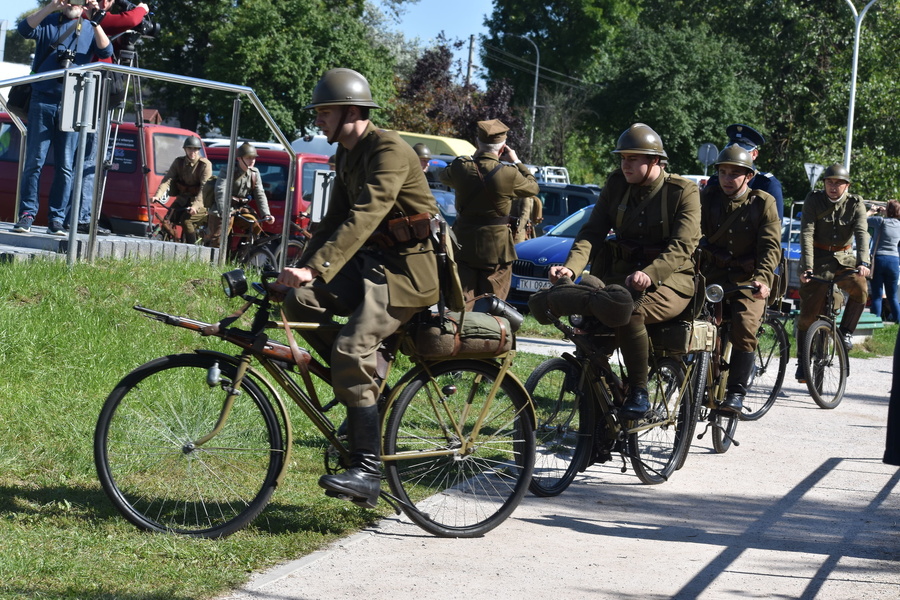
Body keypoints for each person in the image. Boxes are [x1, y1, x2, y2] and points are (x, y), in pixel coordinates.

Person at [276, 68, 440, 508]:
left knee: (350, 348)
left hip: (406, 271)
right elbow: (333, 221)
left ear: (351, 112)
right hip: (368, 264)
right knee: (298, 303)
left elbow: (366, 214)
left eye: (325, 112)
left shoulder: (389, 149)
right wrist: (300, 270)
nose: (318, 120)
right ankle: (365, 388)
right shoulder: (346, 153)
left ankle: (367, 473)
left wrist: (318, 267)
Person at [548, 123, 701, 418]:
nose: (625, 164)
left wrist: (651, 274)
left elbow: (683, 245)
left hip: (670, 281)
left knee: (631, 312)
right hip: (620, 276)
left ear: (654, 160)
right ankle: (593, 387)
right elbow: (592, 232)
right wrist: (569, 269)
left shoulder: (682, 191)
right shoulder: (617, 185)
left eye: (632, 158)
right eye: (622, 158)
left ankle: (639, 392)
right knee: (586, 300)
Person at [12, 0, 113, 235]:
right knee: (34, 162)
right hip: (42, 99)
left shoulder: (89, 26)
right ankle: (27, 214)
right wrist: (51, 7)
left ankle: (56, 219)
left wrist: (95, 20)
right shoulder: (48, 21)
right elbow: (23, 29)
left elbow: (106, 51)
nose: (72, 3)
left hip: (74, 102)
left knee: (66, 166)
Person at [699, 144, 781, 413]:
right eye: (722, 172)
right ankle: (692, 377)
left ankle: (736, 392)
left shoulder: (763, 203)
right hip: (712, 277)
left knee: (744, 325)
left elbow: (770, 248)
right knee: (689, 321)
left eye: (734, 173)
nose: (727, 178)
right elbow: (690, 233)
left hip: (748, 280)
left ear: (748, 176)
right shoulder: (707, 198)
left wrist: (763, 279)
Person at [67, 0, 149, 235]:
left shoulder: (97, 18)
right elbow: (130, 19)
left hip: (96, 91)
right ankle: (81, 218)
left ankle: (80, 216)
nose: (104, 3)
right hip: (90, 90)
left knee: (90, 158)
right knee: (90, 158)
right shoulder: (90, 16)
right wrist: (142, 9)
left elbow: (123, 27)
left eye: (109, 0)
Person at [439, 119, 539, 301]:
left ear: (477, 143)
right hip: (496, 249)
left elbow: (443, 176)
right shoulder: (509, 173)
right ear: (503, 149)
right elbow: (533, 187)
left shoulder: (461, 167)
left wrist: (475, 156)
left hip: (463, 245)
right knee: (493, 304)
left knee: (462, 302)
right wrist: (516, 161)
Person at [795, 163, 870, 381]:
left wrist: (863, 262)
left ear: (847, 186)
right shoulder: (814, 200)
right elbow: (807, 233)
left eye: (838, 183)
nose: (833, 187)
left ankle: (845, 333)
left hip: (844, 259)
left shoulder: (856, 203)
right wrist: (807, 266)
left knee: (860, 288)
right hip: (818, 261)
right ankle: (803, 361)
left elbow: (862, 233)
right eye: (829, 182)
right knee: (807, 315)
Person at [705, 124, 785, 221]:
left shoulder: (767, 184)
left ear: (754, 154)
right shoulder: (715, 181)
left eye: (743, 152)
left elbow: (775, 224)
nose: (736, 156)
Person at [205, 142, 275, 248]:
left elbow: (260, 194)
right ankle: (213, 256)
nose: (252, 161)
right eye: (248, 158)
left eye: (254, 158)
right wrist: (223, 210)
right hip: (224, 207)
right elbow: (220, 190)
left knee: (255, 225)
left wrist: (266, 214)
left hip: (241, 208)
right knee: (218, 238)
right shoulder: (228, 170)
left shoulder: (254, 173)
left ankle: (242, 251)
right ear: (239, 159)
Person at [150, 136, 212, 244]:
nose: (192, 152)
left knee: (186, 221)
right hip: (183, 199)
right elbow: (167, 179)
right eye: (189, 148)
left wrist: (195, 206)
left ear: (198, 150)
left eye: (195, 149)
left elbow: (204, 188)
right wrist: (157, 196)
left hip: (200, 202)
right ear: (185, 149)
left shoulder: (204, 165)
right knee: (167, 220)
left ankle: (192, 247)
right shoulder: (179, 162)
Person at [866, 201, 900, 322]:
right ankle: (898, 321)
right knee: (892, 296)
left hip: (879, 260)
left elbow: (861, 219)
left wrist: (872, 211)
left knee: (877, 295)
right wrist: (887, 211)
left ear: (888, 210)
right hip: (894, 260)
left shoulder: (880, 221)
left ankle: (875, 322)